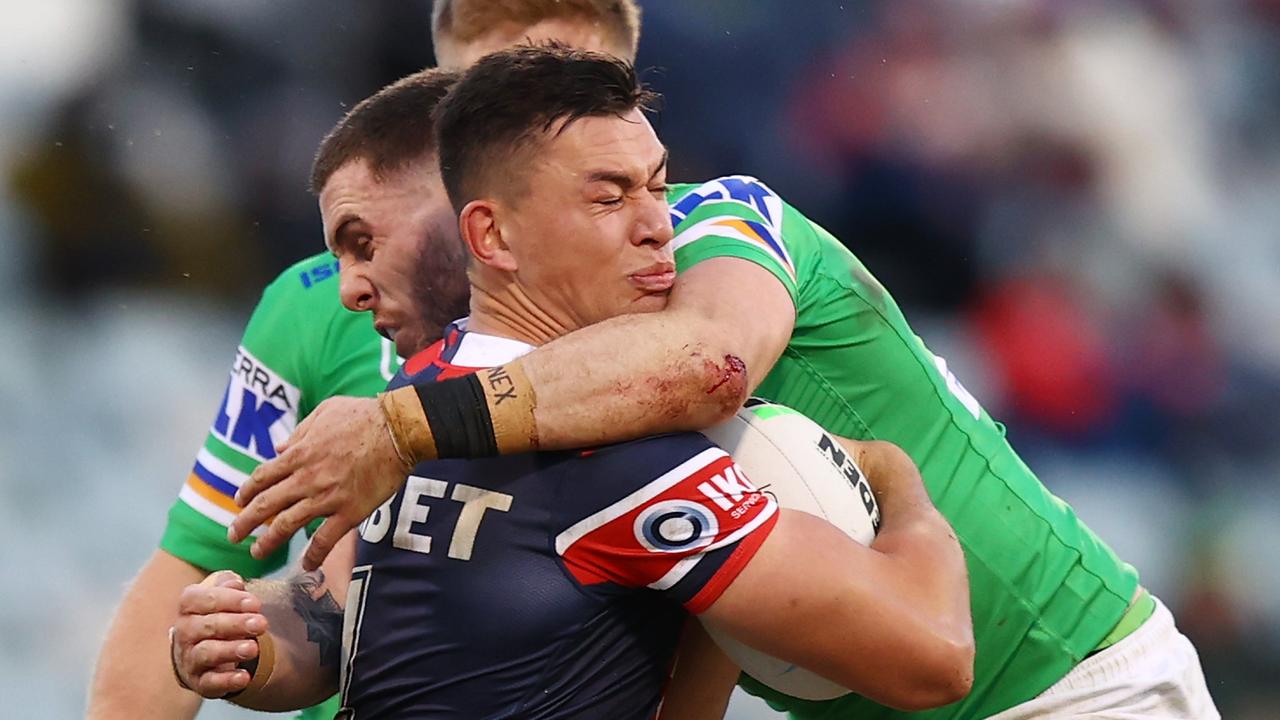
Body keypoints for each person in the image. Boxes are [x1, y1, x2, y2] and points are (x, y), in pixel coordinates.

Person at [236, 47, 1222, 720]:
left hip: (1074, 687)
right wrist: (257, 631)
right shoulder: (526, 396)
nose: (353, 281)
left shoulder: (721, 228)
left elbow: (706, 366)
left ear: (476, 221)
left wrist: (407, 426)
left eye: (371, 239)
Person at [169, 59, 973, 718]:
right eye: (608, 195)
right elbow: (933, 657)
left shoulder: (416, 392)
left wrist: (247, 645)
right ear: (492, 234)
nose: (658, 222)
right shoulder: (627, 461)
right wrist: (896, 475)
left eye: (657, 186)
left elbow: (335, 626)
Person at [86, 2, 643, 719]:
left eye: (566, 104)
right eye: (486, 103)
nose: (517, 138)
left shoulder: (691, 281)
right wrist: (224, 641)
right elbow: (209, 562)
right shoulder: (316, 306)